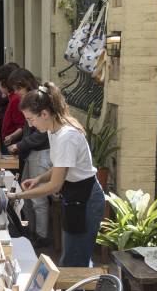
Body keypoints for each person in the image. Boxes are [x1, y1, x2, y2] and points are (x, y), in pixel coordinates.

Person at [13, 82, 103, 266]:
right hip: (75, 196)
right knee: (73, 256)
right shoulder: (54, 130)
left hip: (85, 198)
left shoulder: (66, 136)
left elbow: (55, 185)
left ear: (45, 113)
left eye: (31, 119)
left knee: (75, 259)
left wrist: (18, 196)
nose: (30, 125)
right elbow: (61, 167)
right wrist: (39, 179)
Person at [4, 68, 51, 245]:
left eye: (17, 89)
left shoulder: (38, 101)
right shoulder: (32, 100)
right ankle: (32, 231)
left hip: (40, 154)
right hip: (33, 153)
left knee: (38, 199)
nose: (15, 93)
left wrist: (20, 144)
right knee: (28, 194)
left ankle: (41, 235)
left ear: (23, 84)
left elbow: (41, 134)